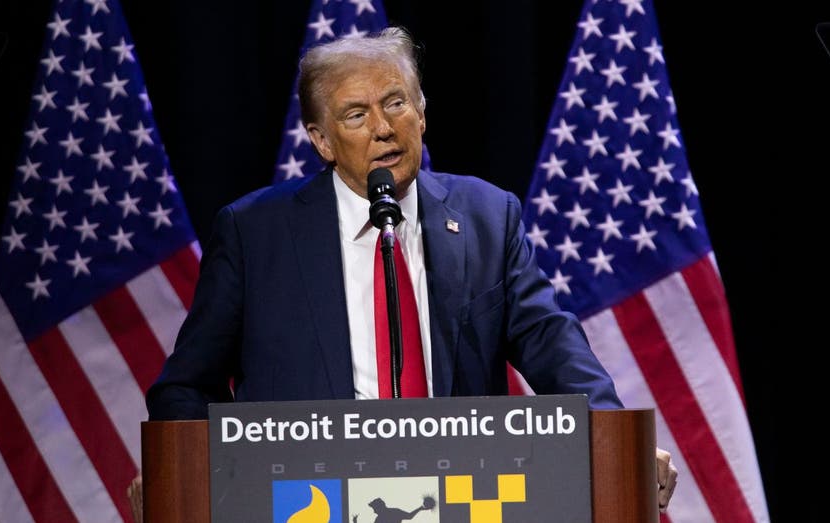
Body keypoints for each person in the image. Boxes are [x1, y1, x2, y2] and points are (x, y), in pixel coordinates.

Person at [145, 26, 677, 511]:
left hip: (462, 497)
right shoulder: (254, 233)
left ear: (421, 113)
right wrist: (184, 471)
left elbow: (552, 343)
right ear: (322, 140)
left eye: (396, 103)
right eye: (356, 115)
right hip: (308, 500)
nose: (382, 128)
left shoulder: (487, 217)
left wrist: (616, 440)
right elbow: (186, 386)